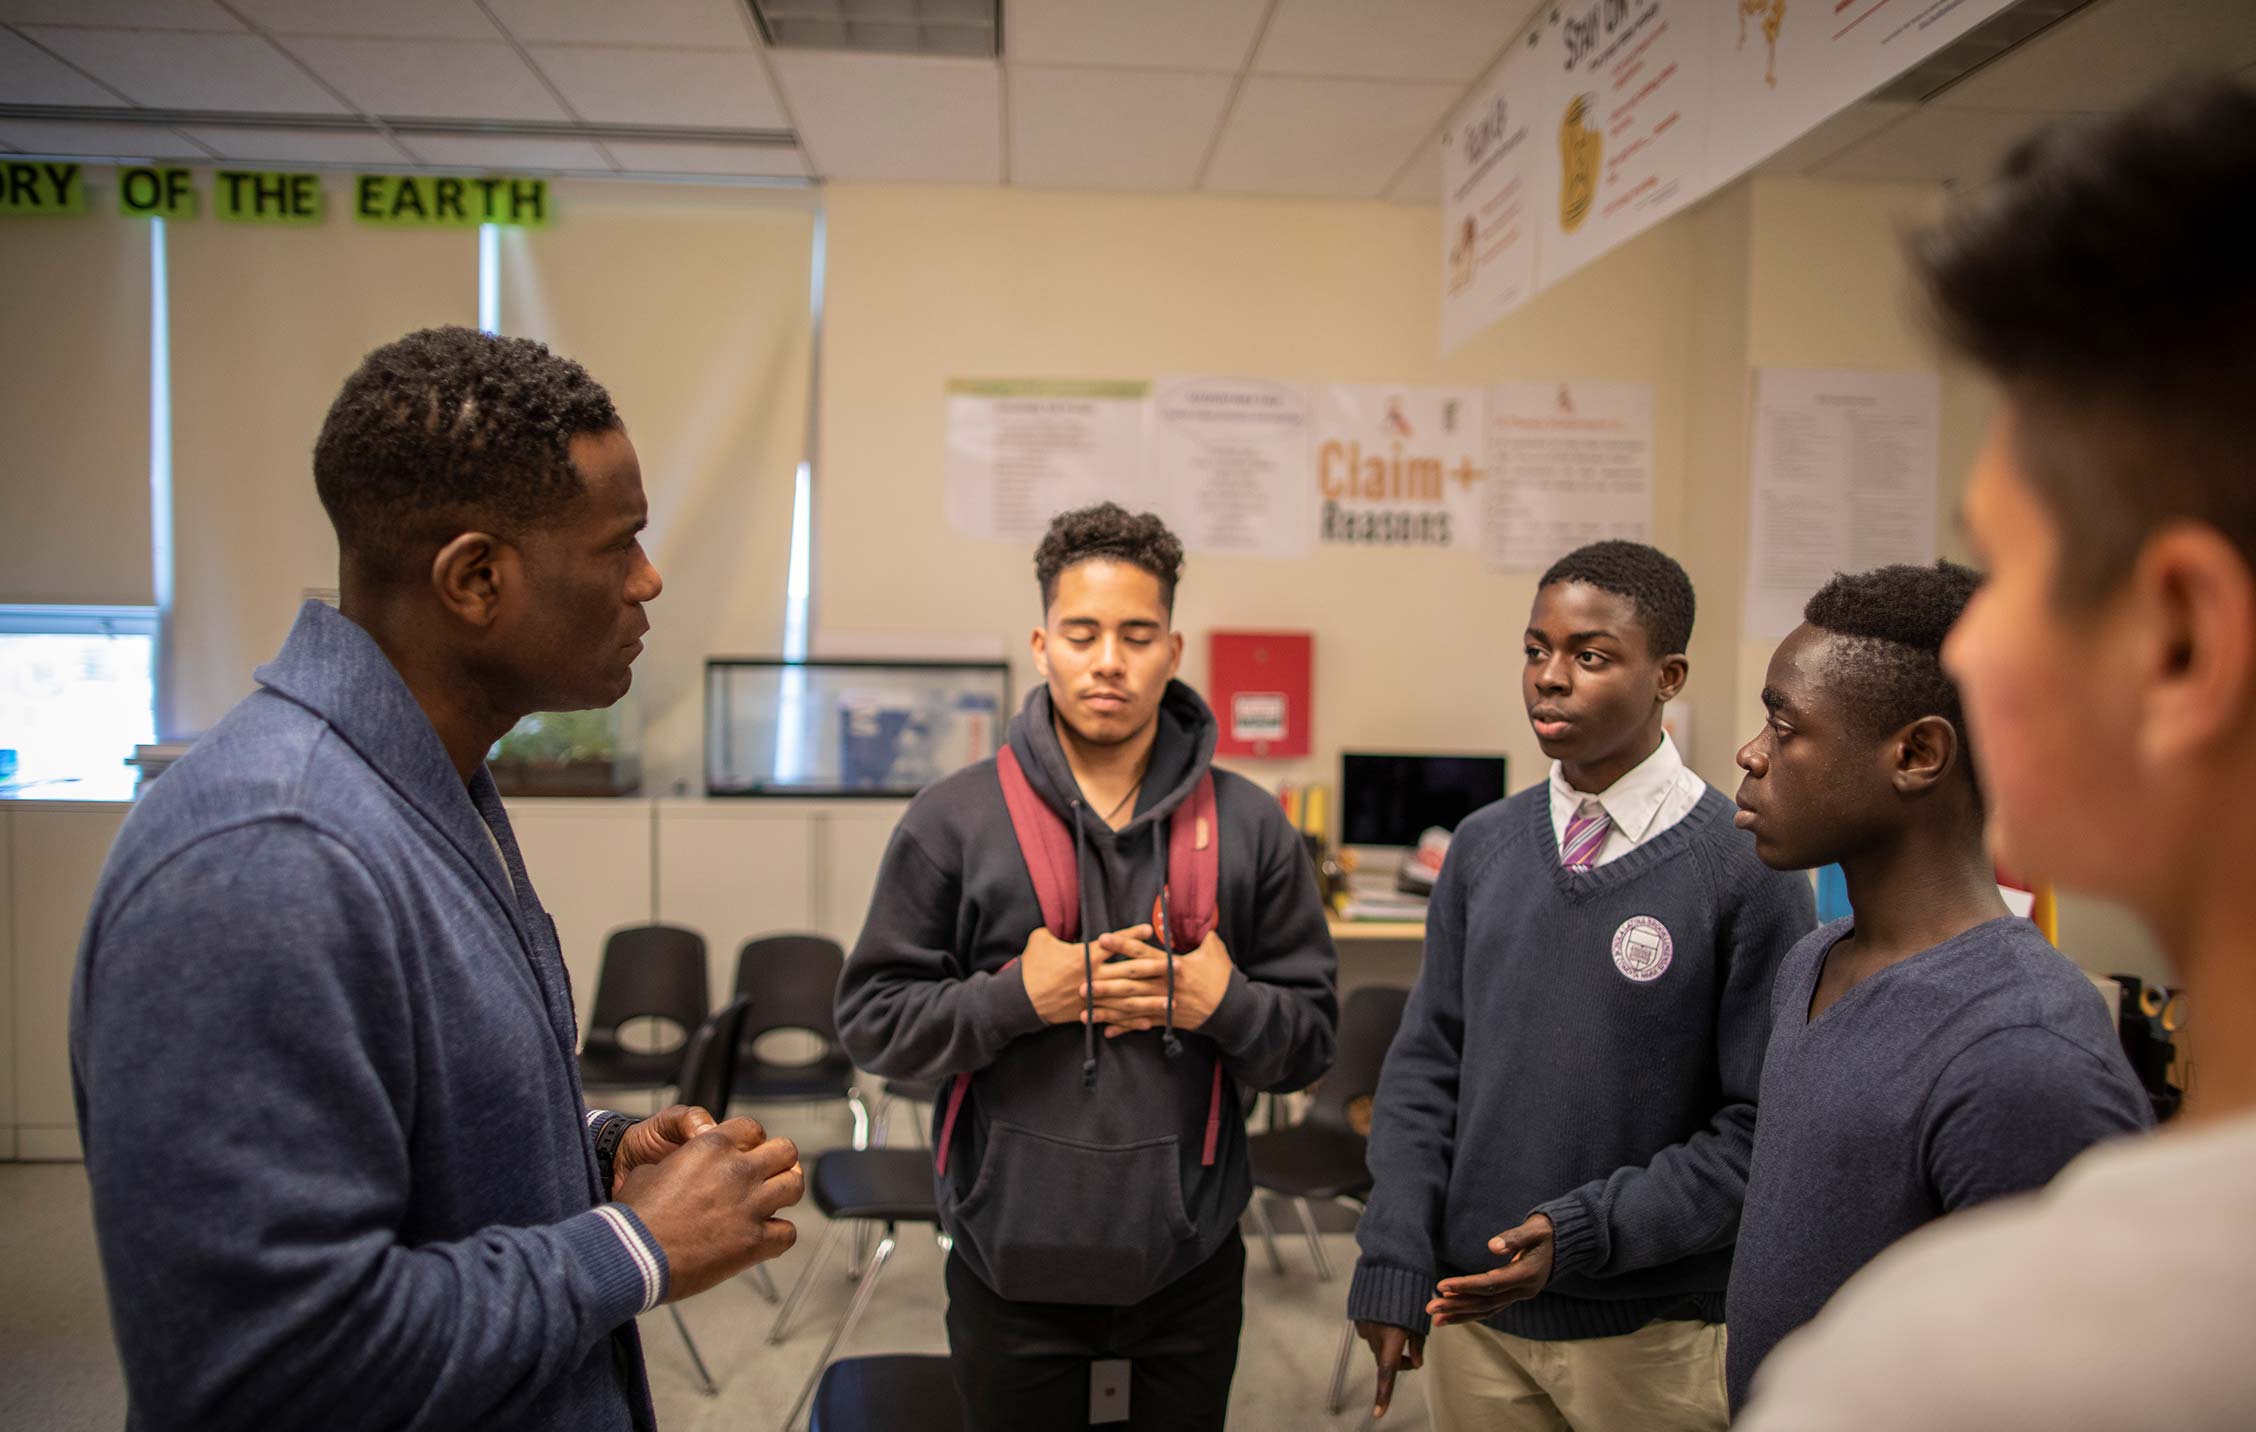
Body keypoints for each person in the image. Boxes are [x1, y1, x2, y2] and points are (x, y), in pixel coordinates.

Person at [70, 327, 806, 1431]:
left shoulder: (429, 786)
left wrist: (589, 1152)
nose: (650, 579)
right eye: (621, 544)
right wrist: (633, 1247)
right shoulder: (266, 856)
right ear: (476, 578)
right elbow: (262, 1372)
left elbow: (412, 1136)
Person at [1735, 78, 2256, 1430]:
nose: (1976, 644)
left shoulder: (1989, 1356)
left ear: (2184, 644)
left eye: (2011, 566)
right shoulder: (1817, 961)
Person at [835, 502, 1338, 1430]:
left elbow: (1307, 1048)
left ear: (1174, 650)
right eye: (1083, 632)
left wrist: (1221, 1005)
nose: (1110, 659)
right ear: (1041, 644)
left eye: (1137, 634)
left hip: (1191, 1261)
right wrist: (1016, 999)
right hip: (1006, 1261)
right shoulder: (952, 820)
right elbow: (877, 1029)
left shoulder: (1253, 827)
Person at [1349, 540, 1816, 1430]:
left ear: (1667, 675)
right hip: (1474, 1319)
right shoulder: (1480, 848)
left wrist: (1587, 1231)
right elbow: (1424, 1072)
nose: (1548, 679)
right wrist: (1394, 1256)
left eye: (1589, 656)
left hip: (1652, 1337)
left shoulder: (1747, 869)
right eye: (1535, 651)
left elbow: (1762, 1130)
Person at [1724, 561, 2151, 1412]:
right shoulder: (1813, 961)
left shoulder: (2022, 1050)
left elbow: (2059, 1394)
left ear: (1917, 754)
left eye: (1785, 725)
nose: (1752, 752)